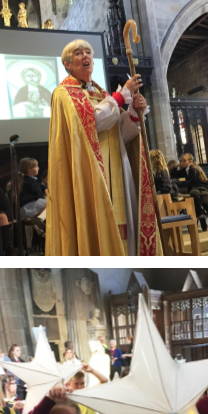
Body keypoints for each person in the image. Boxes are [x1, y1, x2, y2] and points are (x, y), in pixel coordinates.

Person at [46, 39, 159, 256]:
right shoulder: (64, 94)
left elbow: (120, 134)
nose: (85, 56)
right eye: (78, 53)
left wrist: (134, 113)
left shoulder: (103, 94)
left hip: (116, 167)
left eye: (88, 52)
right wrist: (119, 97)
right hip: (91, 173)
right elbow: (91, 125)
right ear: (68, 64)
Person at [177, 154, 208, 232]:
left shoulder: (193, 168)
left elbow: (188, 182)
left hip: (204, 188)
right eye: (181, 161)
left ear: (190, 161)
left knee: (205, 202)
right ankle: (201, 217)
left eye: (184, 161)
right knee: (193, 194)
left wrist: (176, 182)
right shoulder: (186, 169)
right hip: (196, 188)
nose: (182, 163)